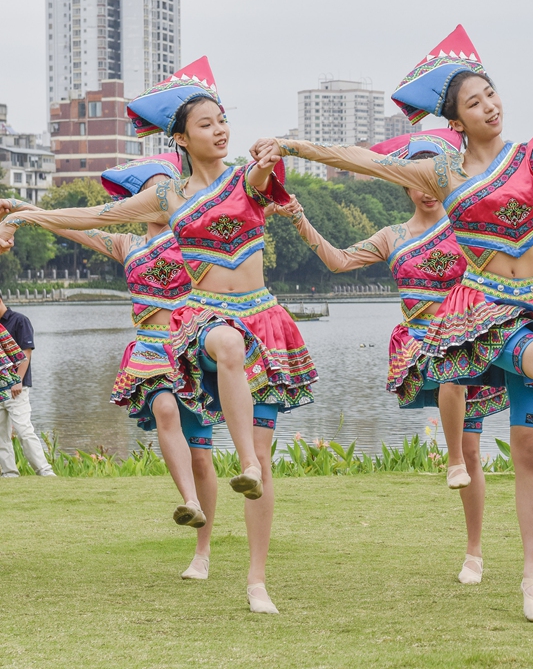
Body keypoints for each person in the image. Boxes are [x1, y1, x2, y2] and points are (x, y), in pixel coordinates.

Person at [251, 25, 533, 623]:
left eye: (492, 95)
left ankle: (532, 579)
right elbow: (359, 159)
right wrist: (296, 147)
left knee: (531, 449)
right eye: (474, 102)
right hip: (486, 306)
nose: (490, 105)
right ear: (456, 121)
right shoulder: (441, 174)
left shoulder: (529, 156)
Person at [0, 56, 312, 614]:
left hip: (264, 317)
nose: (220, 130)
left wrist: (275, 153)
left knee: (263, 465)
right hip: (193, 326)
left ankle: (256, 578)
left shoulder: (248, 180)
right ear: (181, 139)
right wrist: (27, 212)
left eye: (223, 120)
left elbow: (264, 176)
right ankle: (210, 495)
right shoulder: (165, 200)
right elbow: (95, 216)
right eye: (206, 123)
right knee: (202, 374)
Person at [275, 127, 507, 584]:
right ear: (404, 184)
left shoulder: (466, 222)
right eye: (414, 182)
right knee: (446, 370)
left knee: (473, 447)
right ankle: (454, 461)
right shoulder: (393, 236)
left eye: (431, 181)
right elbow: (339, 261)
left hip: (470, 338)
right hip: (423, 344)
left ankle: (474, 550)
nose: (424, 191)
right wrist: (298, 217)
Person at [0, 296, 50, 477]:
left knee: (24, 430)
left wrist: (17, 380)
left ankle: (44, 471)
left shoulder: (19, 320)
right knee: (1, 436)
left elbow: (26, 353)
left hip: (16, 389)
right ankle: (9, 474)